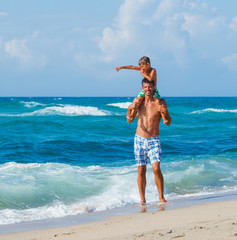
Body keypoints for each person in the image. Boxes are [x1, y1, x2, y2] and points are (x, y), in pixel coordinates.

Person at [126, 78, 171, 205]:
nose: (148, 89)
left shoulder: (160, 103)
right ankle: (142, 199)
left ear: (154, 88)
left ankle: (161, 197)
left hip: (154, 140)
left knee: (156, 168)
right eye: (145, 87)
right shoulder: (138, 102)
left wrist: (165, 112)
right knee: (141, 170)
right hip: (139, 140)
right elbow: (129, 120)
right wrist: (130, 108)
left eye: (150, 87)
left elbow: (167, 122)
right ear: (142, 88)